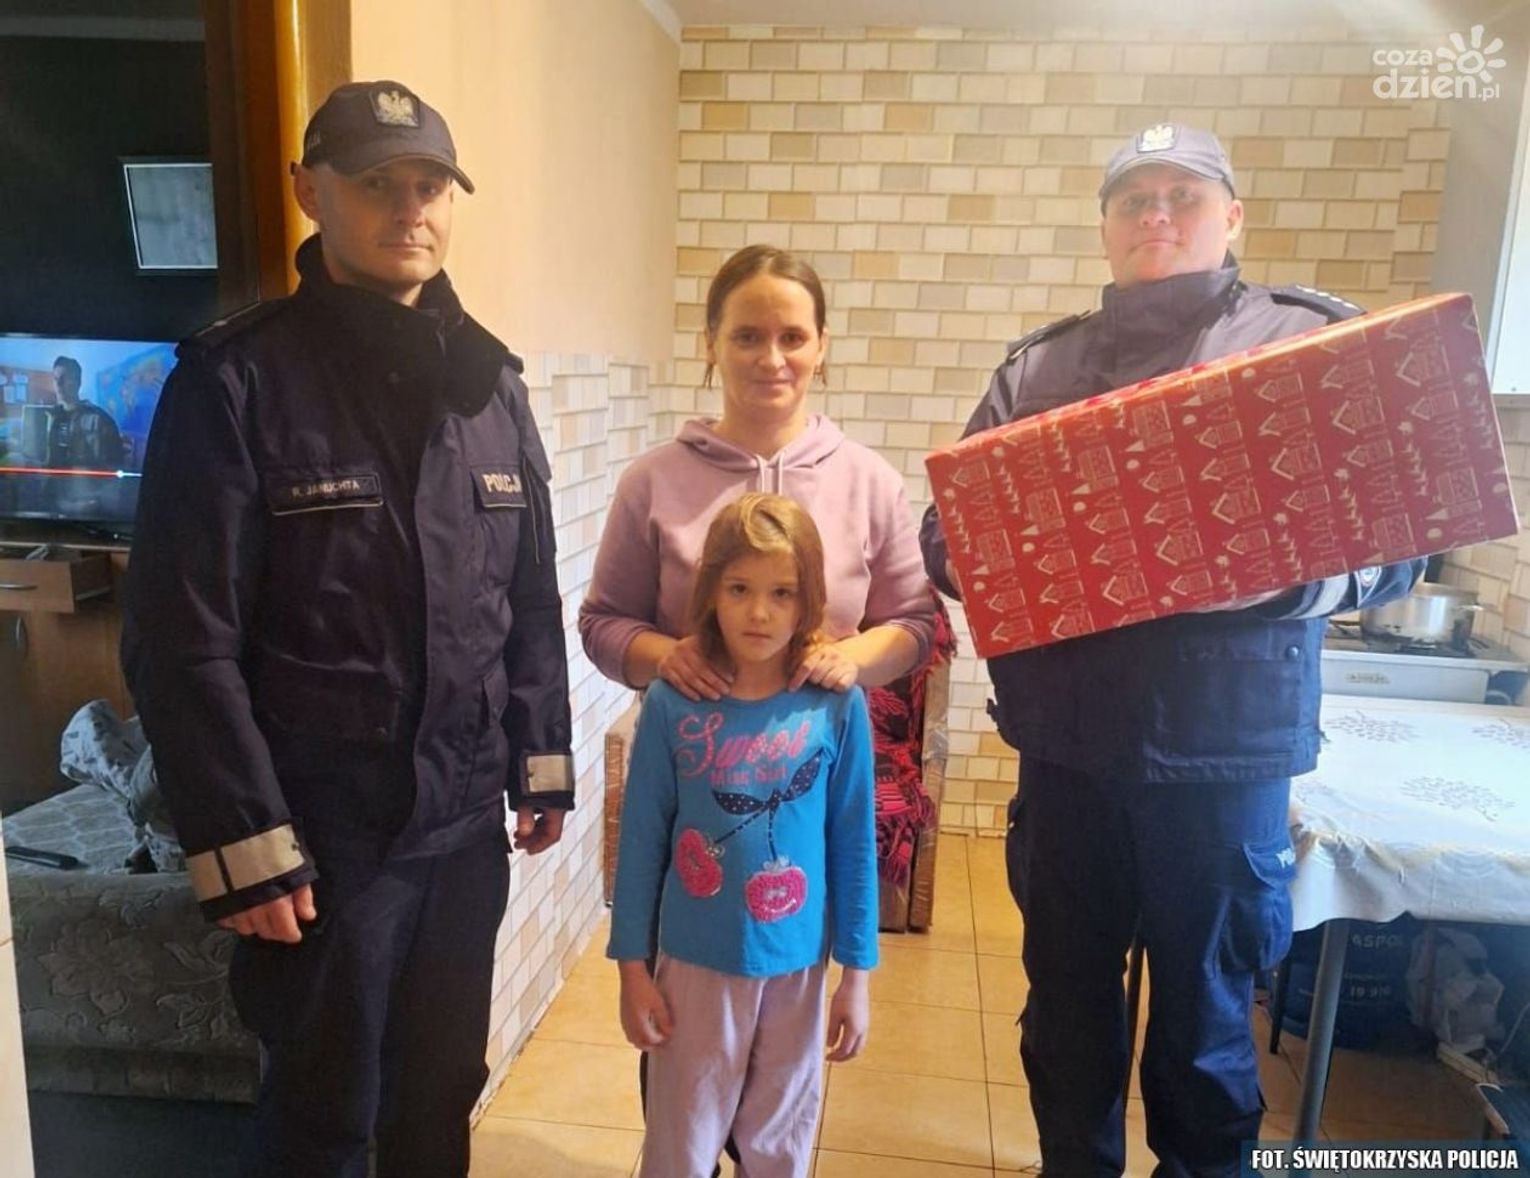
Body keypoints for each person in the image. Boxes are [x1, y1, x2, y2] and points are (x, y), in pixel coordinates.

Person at [920, 123, 1425, 1175]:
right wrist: (1025, 560)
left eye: (1183, 196)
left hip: (1226, 760)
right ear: (1106, 227)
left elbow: (1400, 544)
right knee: (1065, 1011)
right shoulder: (1038, 368)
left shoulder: (1306, 347)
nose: (1157, 215)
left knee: (1204, 1026)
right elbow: (946, 534)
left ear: (1231, 217)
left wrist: (1274, 581)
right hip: (1068, 755)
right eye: (1134, 199)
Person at [122, 80, 573, 1178]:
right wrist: (246, 846)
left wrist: (543, 763)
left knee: (440, 1095)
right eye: (378, 184)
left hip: (462, 835)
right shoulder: (237, 382)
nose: (409, 208)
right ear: (309, 192)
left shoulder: (492, 386)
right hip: (323, 846)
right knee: (323, 1116)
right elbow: (181, 640)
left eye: (430, 186)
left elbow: (528, 599)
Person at [608, 492, 878, 1178]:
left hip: (798, 966)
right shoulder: (673, 702)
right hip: (694, 967)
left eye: (782, 593)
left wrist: (857, 975)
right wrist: (632, 970)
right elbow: (640, 842)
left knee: (779, 1146)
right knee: (682, 1143)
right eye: (740, 589)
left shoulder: (836, 705)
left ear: (808, 599)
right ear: (711, 592)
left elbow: (853, 844)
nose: (760, 612)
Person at [578, 242, 936, 700]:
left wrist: (850, 659)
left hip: (824, 742)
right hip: (689, 741)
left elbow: (912, 624)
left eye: (793, 338)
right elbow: (602, 624)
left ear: (821, 346)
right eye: (747, 337)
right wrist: (667, 656)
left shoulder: (872, 483)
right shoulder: (650, 483)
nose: (771, 360)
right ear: (711, 344)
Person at [44, 355, 123, 469]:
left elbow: (114, 466)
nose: (58, 384)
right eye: (56, 379)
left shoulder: (100, 420)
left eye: (65, 378)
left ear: (78, 382)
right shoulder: (51, 417)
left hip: (85, 479)